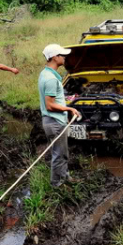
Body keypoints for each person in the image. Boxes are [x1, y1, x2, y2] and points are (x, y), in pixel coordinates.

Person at [39, 43, 81, 187]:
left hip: (52, 121)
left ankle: (65, 177)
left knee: (61, 152)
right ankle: (56, 184)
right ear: (55, 57)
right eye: (62, 55)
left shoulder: (46, 74)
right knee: (59, 154)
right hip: (55, 122)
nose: (65, 57)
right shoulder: (51, 79)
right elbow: (50, 105)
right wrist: (69, 110)